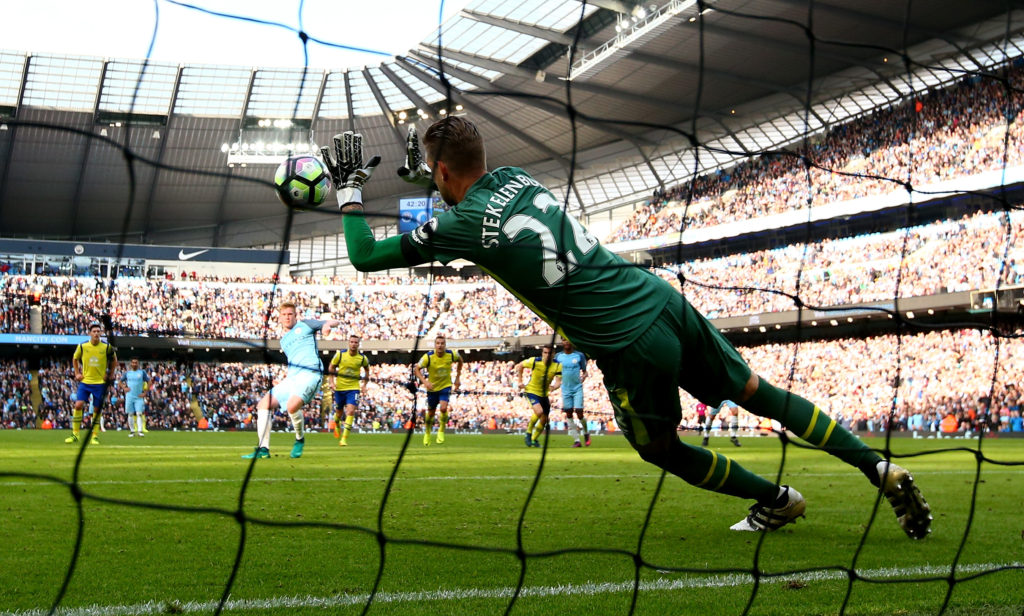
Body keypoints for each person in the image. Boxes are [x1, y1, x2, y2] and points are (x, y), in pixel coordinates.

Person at [320, 119, 932, 538]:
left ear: (441, 171)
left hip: (625, 340)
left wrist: (350, 192)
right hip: (658, 297)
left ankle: (776, 500)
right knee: (757, 392)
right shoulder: (516, 178)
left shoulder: (459, 227)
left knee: (659, 449)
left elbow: (364, 256)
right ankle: (876, 467)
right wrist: (430, 176)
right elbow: (468, 194)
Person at [242, 301, 340, 460]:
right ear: (280, 318)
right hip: (292, 378)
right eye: (284, 315)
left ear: (295, 316)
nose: (287, 317)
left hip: (311, 374)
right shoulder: (284, 341)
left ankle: (299, 439)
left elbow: (334, 322)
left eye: (290, 314)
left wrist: (326, 326)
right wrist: (283, 380)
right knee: (263, 404)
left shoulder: (305, 325)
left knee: (291, 406)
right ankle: (263, 449)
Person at [66, 322, 117, 445]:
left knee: (96, 409)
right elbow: (75, 358)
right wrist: (77, 373)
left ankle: (94, 436)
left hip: (100, 383)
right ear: (89, 333)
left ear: (101, 333)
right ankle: (75, 434)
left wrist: (110, 374)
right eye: (94, 331)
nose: (96, 333)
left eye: (98, 331)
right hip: (86, 382)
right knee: (78, 405)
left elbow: (114, 360)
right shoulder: (83, 346)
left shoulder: (106, 347)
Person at [414, 334, 463, 445]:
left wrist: (458, 377)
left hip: (445, 386)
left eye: (442, 343)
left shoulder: (451, 354)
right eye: (438, 343)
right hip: (432, 388)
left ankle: (441, 430)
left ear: (445, 345)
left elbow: (460, 360)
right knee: (430, 413)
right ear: (435, 345)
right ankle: (427, 433)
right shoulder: (428, 357)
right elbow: (416, 369)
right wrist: (425, 382)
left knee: (443, 408)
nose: (440, 345)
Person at [329, 334, 370, 447]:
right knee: (338, 413)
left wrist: (364, 384)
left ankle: (344, 439)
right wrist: (331, 382)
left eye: (356, 342)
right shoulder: (340, 355)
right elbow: (331, 367)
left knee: (351, 411)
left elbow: (367, 370)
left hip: (353, 389)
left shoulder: (362, 358)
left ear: (358, 344)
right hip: (340, 388)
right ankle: (337, 423)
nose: (353, 344)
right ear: (349, 343)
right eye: (352, 342)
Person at [517, 345, 562, 447]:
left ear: (553, 354)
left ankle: (534, 439)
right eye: (545, 353)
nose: (547, 355)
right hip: (531, 391)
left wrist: (554, 387)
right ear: (542, 353)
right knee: (539, 411)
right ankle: (528, 433)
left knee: (544, 419)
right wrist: (519, 381)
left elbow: (558, 382)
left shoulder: (558, 365)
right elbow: (520, 365)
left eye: (549, 353)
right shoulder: (535, 361)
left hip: (544, 394)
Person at [555, 339, 590, 447]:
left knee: (579, 412)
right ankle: (577, 440)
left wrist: (583, 377)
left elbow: (585, 372)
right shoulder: (558, 356)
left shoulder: (579, 355)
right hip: (565, 389)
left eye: (568, 340)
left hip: (577, 388)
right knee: (569, 413)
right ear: (562, 342)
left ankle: (586, 433)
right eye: (564, 340)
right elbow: (555, 372)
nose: (566, 342)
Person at [122, 358, 149, 437]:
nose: (134, 364)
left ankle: (140, 431)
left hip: (138, 396)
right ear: (131, 364)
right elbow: (120, 381)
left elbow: (149, 381)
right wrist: (124, 388)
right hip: (129, 396)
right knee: (130, 414)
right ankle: (132, 431)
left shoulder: (142, 372)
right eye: (133, 362)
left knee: (139, 413)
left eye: (136, 362)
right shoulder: (127, 373)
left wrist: (145, 393)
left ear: (138, 364)